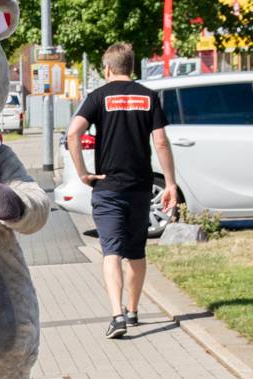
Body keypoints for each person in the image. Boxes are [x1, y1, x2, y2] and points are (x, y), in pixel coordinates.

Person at [66, 42, 178, 339]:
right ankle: (133, 309)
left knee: (111, 252)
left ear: (106, 68)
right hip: (140, 188)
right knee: (136, 252)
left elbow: (73, 133)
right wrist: (169, 184)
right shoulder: (148, 97)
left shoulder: (97, 97)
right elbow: (162, 142)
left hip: (107, 188)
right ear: (132, 66)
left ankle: (117, 316)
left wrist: (83, 173)